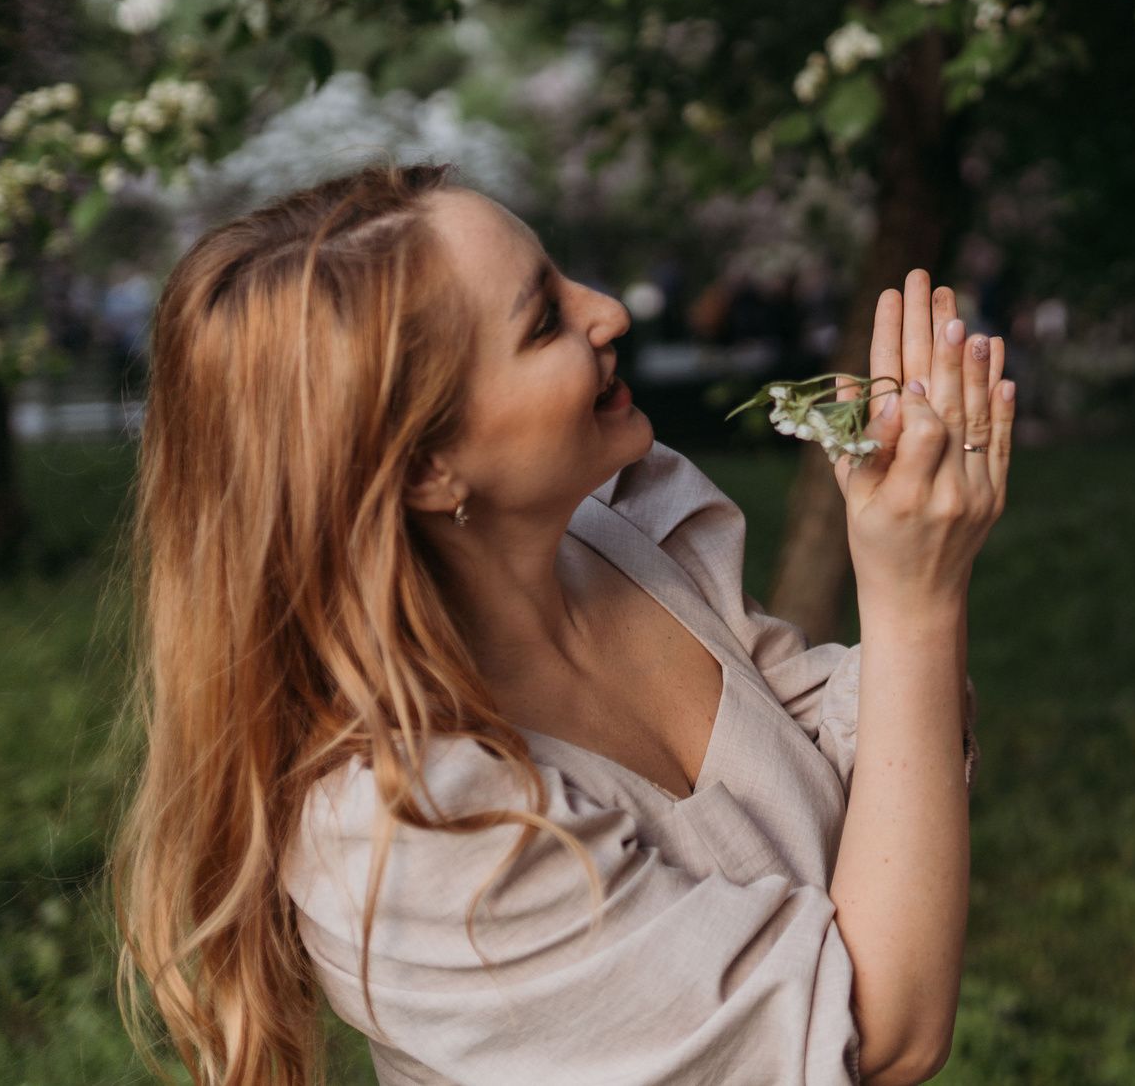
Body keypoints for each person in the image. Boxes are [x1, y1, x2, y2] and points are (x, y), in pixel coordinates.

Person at [115, 164, 1013, 1086]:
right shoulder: (411, 832)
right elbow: (877, 1031)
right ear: (427, 465)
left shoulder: (627, 515)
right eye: (543, 319)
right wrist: (915, 598)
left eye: (561, 274)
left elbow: (854, 750)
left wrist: (906, 512)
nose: (612, 310)